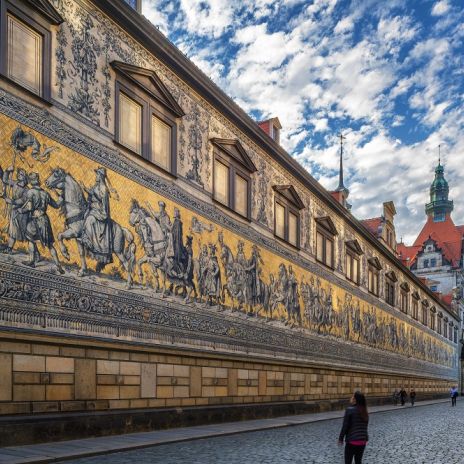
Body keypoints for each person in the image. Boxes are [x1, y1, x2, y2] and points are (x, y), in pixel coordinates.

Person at [339, 391, 369, 464]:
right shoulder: (364, 411)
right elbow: (365, 427)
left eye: (352, 396)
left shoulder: (349, 410)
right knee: (358, 461)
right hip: (362, 441)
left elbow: (345, 426)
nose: (351, 398)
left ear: (355, 399)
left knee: (348, 462)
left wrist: (341, 438)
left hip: (352, 441)